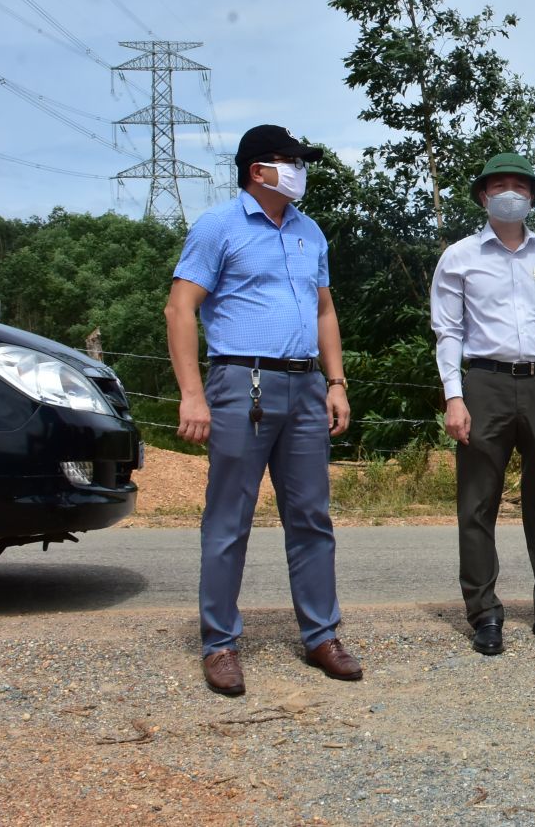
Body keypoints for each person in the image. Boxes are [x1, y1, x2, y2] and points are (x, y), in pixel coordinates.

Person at [166, 124, 361, 697]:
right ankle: (220, 643)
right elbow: (180, 308)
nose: (300, 170)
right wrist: (192, 394)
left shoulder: (309, 231)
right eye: (291, 161)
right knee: (229, 518)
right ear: (258, 169)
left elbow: (324, 311)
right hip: (241, 381)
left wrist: (336, 383)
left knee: (311, 516)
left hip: (306, 386)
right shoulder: (218, 226)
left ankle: (321, 635)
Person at [430, 153, 535, 656]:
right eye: (499, 186)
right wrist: (454, 396)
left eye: (520, 187)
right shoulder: (459, 256)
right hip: (485, 382)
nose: (509, 195)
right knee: (477, 502)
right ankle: (484, 612)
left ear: (533, 197)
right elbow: (448, 330)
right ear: (483, 196)